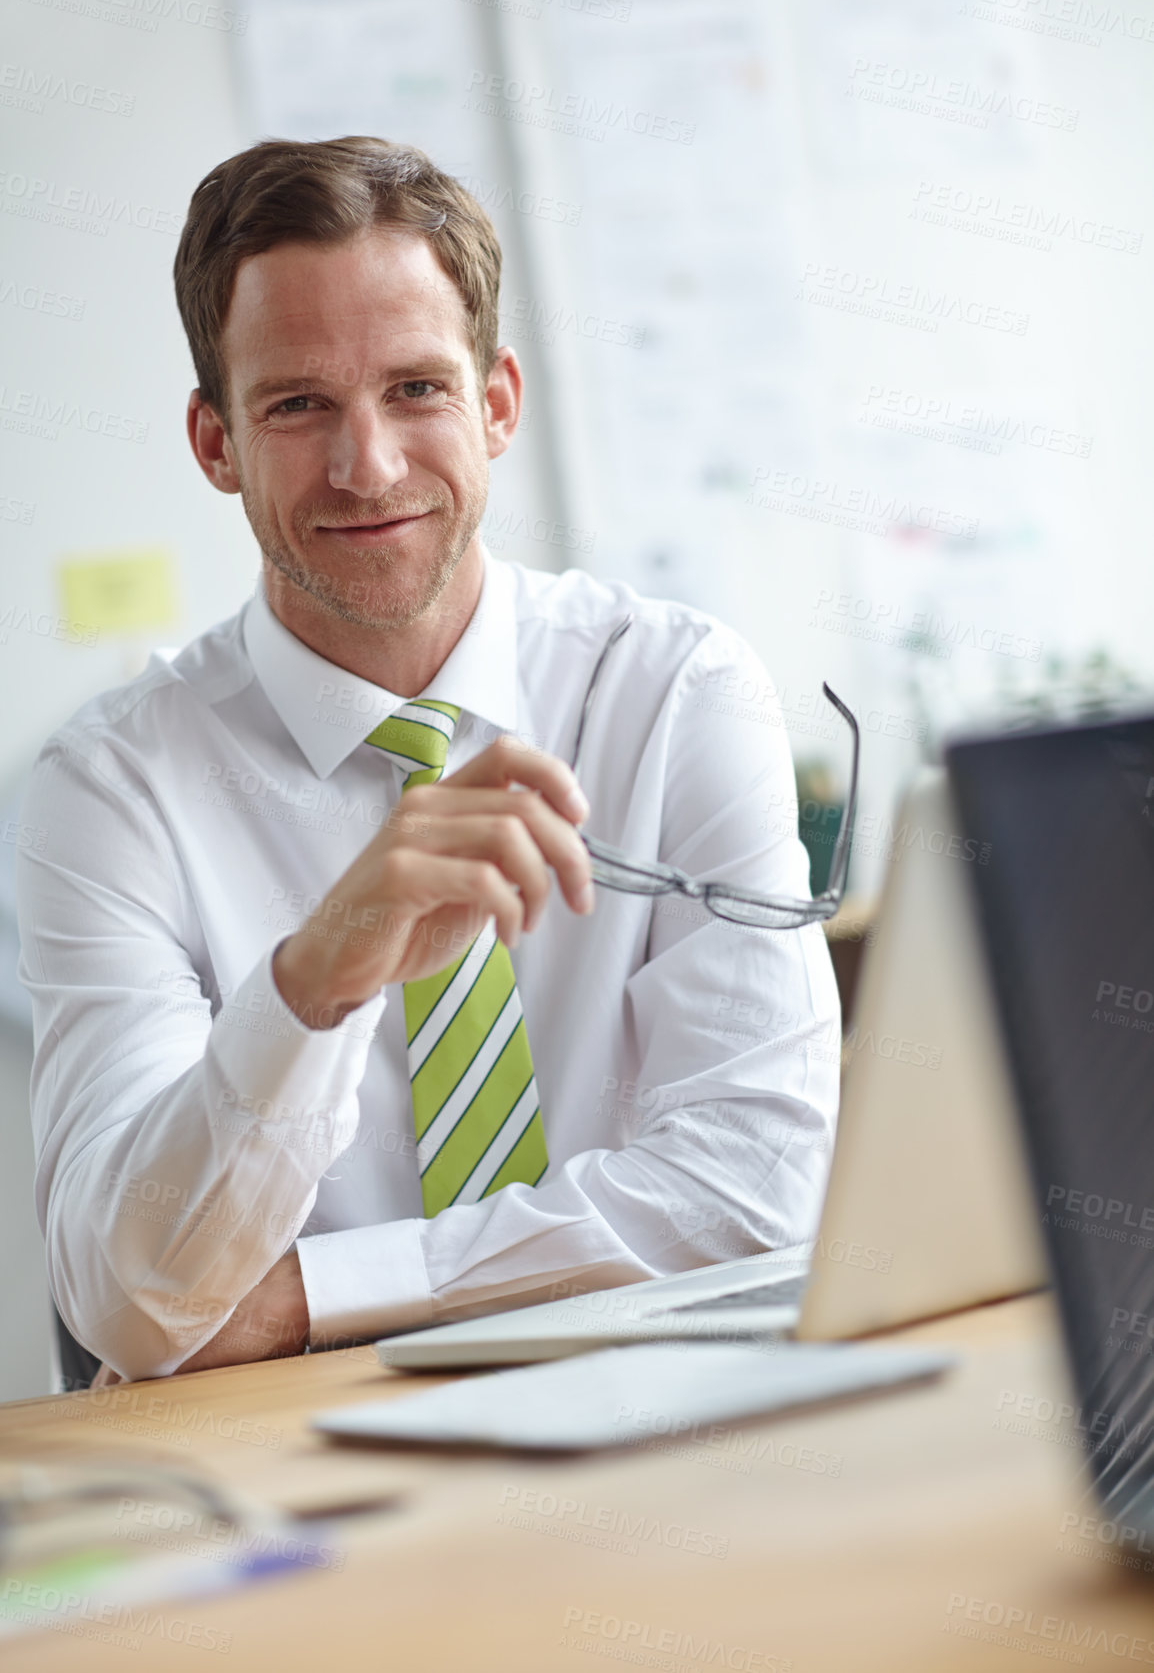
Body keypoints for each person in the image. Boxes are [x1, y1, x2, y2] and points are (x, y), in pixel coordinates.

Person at [16, 136, 840, 1384]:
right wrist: (313, 980)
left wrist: (316, 1294)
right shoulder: (107, 788)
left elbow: (762, 1188)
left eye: (415, 389)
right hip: (310, 1477)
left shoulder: (676, 693)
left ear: (496, 403)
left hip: (664, 1414)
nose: (369, 466)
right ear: (215, 442)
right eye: (298, 404)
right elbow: (129, 1300)